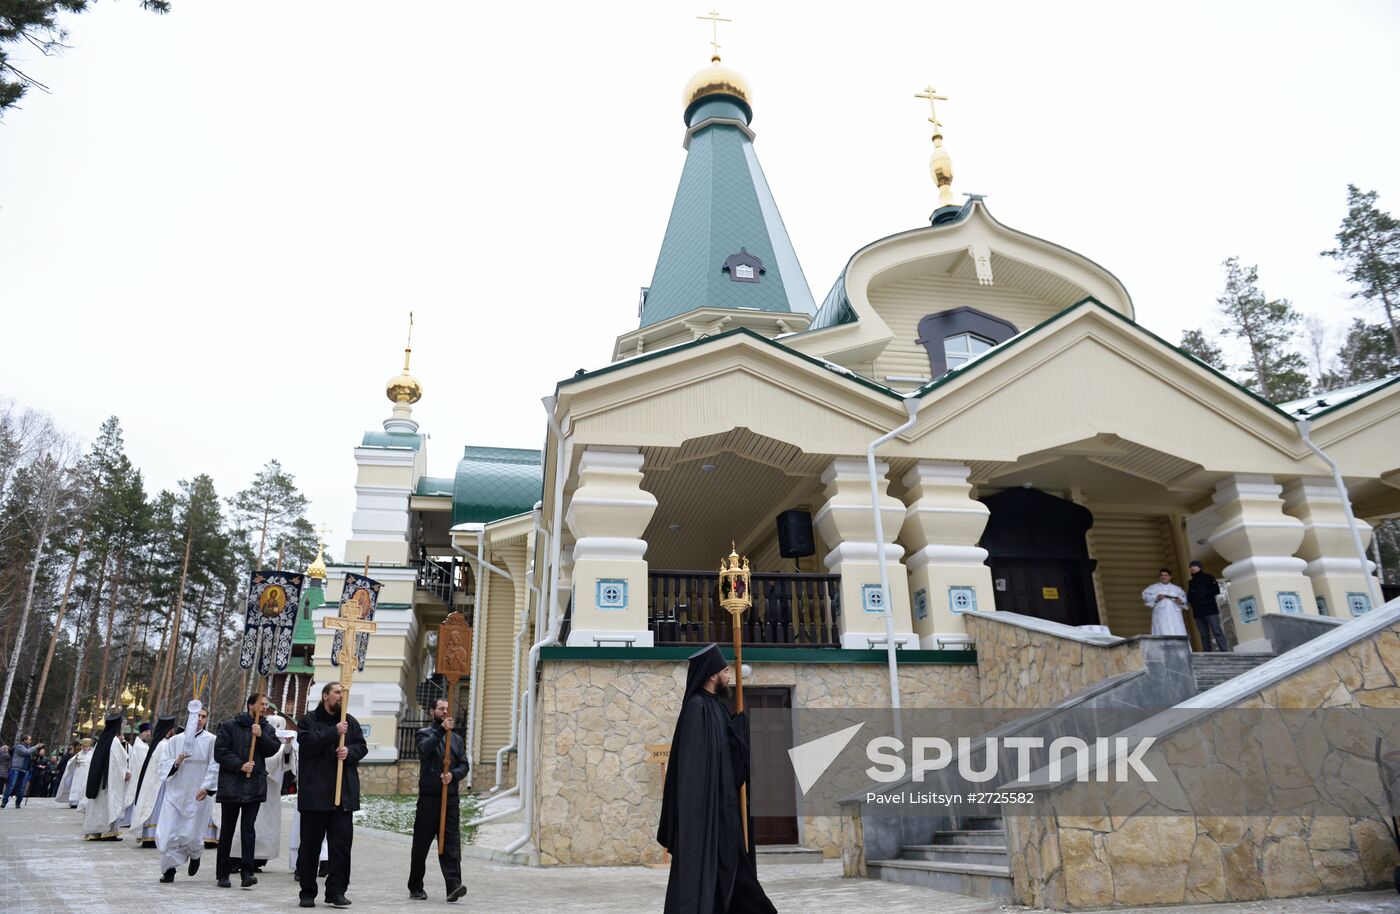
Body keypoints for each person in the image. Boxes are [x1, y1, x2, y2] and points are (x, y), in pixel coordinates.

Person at [658, 644, 776, 914]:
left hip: (724, 812)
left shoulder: (718, 708)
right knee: (725, 874)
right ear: (712, 675)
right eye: (725, 671)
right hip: (706, 818)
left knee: (736, 872)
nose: (729, 676)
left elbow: (731, 767)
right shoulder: (696, 708)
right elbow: (694, 772)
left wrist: (739, 731)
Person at [296, 681, 367, 909]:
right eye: (337, 692)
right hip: (315, 796)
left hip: (342, 796)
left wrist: (350, 751)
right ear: (326, 695)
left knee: (340, 848)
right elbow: (307, 745)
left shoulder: (349, 721)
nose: (341, 696)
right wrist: (333, 732)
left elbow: (361, 746)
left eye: (343, 693)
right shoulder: (309, 720)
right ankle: (307, 892)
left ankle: (336, 891)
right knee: (310, 848)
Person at [212, 693, 279, 888]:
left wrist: (261, 736)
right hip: (232, 785)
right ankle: (223, 873)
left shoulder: (265, 727)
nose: (265, 707)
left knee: (248, 830)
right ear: (250, 705)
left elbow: (273, 749)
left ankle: (247, 873)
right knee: (228, 830)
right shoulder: (230, 726)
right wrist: (240, 765)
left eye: (266, 704)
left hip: (254, 785)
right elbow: (220, 752)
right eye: (261, 704)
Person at [407, 698, 469, 902]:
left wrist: (453, 775)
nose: (444, 712)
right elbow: (425, 749)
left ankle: (453, 885)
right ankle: (415, 885)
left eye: (447, 709)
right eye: (440, 709)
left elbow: (464, 765)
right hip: (430, 797)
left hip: (450, 797)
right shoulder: (424, 733)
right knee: (421, 843)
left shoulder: (457, 740)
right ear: (432, 711)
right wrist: (441, 730)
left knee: (451, 842)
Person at [156, 703, 218, 884]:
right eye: (196, 716)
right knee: (168, 834)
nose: (199, 720)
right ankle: (169, 870)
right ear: (189, 717)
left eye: (203, 716)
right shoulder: (175, 741)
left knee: (190, 834)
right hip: (175, 793)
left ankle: (195, 853)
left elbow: (215, 765)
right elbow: (162, 765)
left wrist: (206, 787)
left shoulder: (211, 740)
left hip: (198, 794)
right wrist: (176, 762)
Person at [231, 711, 294, 876]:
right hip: (252, 786)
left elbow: (285, 764)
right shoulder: (257, 741)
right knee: (248, 824)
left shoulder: (278, 746)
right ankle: (239, 858)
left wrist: (287, 746)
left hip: (271, 791)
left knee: (266, 824)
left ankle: (259, 859)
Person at [83, 714, 130, 840]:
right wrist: (125, 772)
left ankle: (94, 832)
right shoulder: (114, 742)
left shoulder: (102, 740)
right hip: (109, 783)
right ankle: (108, 832)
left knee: (97, 806)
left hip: (99, 781)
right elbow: (120, 761)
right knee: (108, 806)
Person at [132, 719, 177, 845]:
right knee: (157, 809)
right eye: (170, 729)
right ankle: (152, 837)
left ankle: (149, 836)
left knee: (152, 808)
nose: (171, 732)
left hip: (154, 782)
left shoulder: (157, 743)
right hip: (160, 783)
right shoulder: (164, 745)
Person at [1187, 560, 1229, 652]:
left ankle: (1224, 650)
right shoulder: (1191, 582)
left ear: (1199, 567)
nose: (1192, 568)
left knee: (1217, 631)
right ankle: (1207, 652)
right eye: (1191, 566)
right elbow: (1189, 597)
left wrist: (1202, 594)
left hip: (1210, 610)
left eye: (1194, 566)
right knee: (1204, 634)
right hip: (1198, 612)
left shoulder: (1208, 577)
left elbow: (1216, 590)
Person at [120, 723, 152, 827]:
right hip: (136, 775)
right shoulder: (139, 746)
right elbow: (137, 762)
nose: (148, 734)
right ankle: (127, 819)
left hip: (141, 775)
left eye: (149, 731)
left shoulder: (144, 745)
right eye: (146, 732)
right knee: (131, 796)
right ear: (141, 733)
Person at [1142, 568, 1189, 637]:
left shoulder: (1177, 589)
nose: (1164, 577)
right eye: (1162, 575)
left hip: (1175, 617)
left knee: (1178, 633)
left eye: (1166, 575)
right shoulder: (1153, 588)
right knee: (1162, 633)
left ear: (1170, 577)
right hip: (1161, 616)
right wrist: (1156, 598)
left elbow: (1186, 601)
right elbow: (1145, 598)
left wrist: (1180, 601)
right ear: (1159, 577)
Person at [4, 735, 41, 807]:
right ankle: (4, 801)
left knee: (22, 787)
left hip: (25, 769)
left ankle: (18, 802)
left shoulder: (28, 748)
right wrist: (36, 747)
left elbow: (30, 757)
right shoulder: (19, 746)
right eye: (29, 740)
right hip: (16, 768)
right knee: (11, 785)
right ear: (25, 740)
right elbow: (26, 752)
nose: (30, 741)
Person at [62, 738, 94, 809]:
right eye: (83, 746)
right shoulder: (79, 753)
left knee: (83, 787)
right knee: (76, 786)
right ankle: (74, 802)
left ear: (89, 746)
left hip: (86, 774)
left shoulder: (92, 754)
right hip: (78, 773)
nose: (84, 748)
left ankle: (83, 802)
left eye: (86, 746)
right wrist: (75, 761)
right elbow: (71, 761)